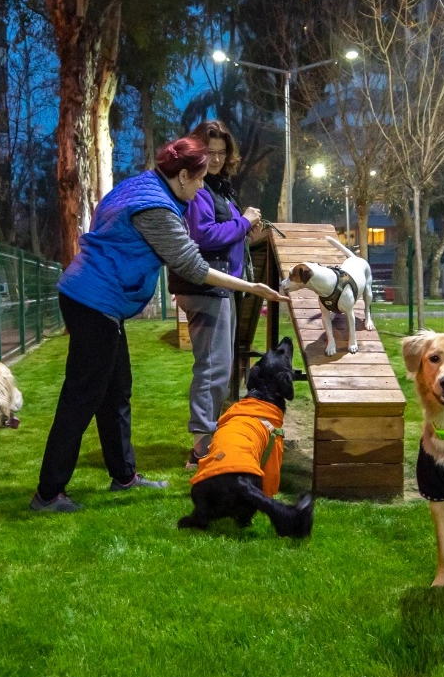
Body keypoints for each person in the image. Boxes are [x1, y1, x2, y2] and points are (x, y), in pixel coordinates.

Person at [32, 137, 287, 512]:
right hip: (93, 300)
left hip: (94, 298)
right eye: (199, 179)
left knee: (117, 390)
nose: (202, 186)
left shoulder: (139, 184)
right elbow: (194, 266)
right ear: (182, 176)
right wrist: (250, 286)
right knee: (81, 398)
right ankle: (49, 493)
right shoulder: (157, 209)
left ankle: (124, 476)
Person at [168, 120, 263, 469]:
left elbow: (226, 233)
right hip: (204, 286)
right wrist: (244, 220)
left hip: (221, 285)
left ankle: (205, 440)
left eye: (223, 152)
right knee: (212, 369)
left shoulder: (218, 188)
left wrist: (247, 230)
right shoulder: (198, 188)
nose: (217, 159)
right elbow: (203, 234)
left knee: (218, 368)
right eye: (210, 152)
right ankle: (200, 451)